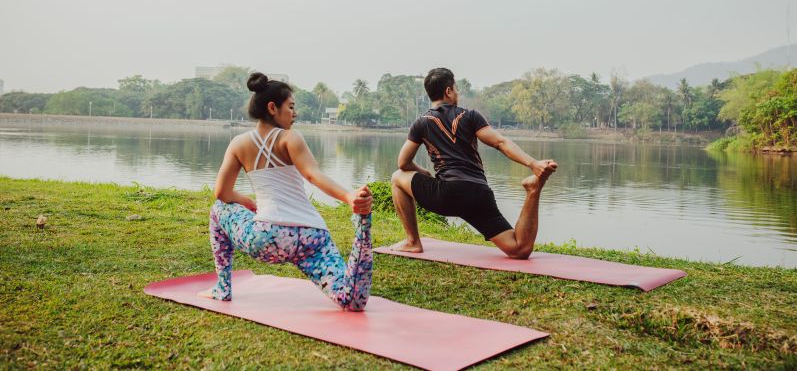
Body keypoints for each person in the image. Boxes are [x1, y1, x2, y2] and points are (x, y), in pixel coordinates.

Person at [198, 72, 373, 311]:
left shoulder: (239, 144)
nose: (295, 113)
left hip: (268, 237)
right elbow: (313, 175)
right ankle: (362, 231)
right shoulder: (290, 138)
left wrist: (245, 200)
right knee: (349, 300)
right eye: (290, 107)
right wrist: (348, 197)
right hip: (312, 237)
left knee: (218, 210)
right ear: (273, 107)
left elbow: (222, 193)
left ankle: (222, 287)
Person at [391, 68, 558, 259]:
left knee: (397, 177)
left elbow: (403, 162)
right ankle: (533, 190)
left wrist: (424, 174)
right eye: (456, 88)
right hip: (477, 194)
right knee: (520, 250)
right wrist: (533, 163)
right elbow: (500, 143)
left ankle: (412, 242)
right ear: (448, 91)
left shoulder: (421, 123)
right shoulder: (470, 116)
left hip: (445, 195)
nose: (457, 93)